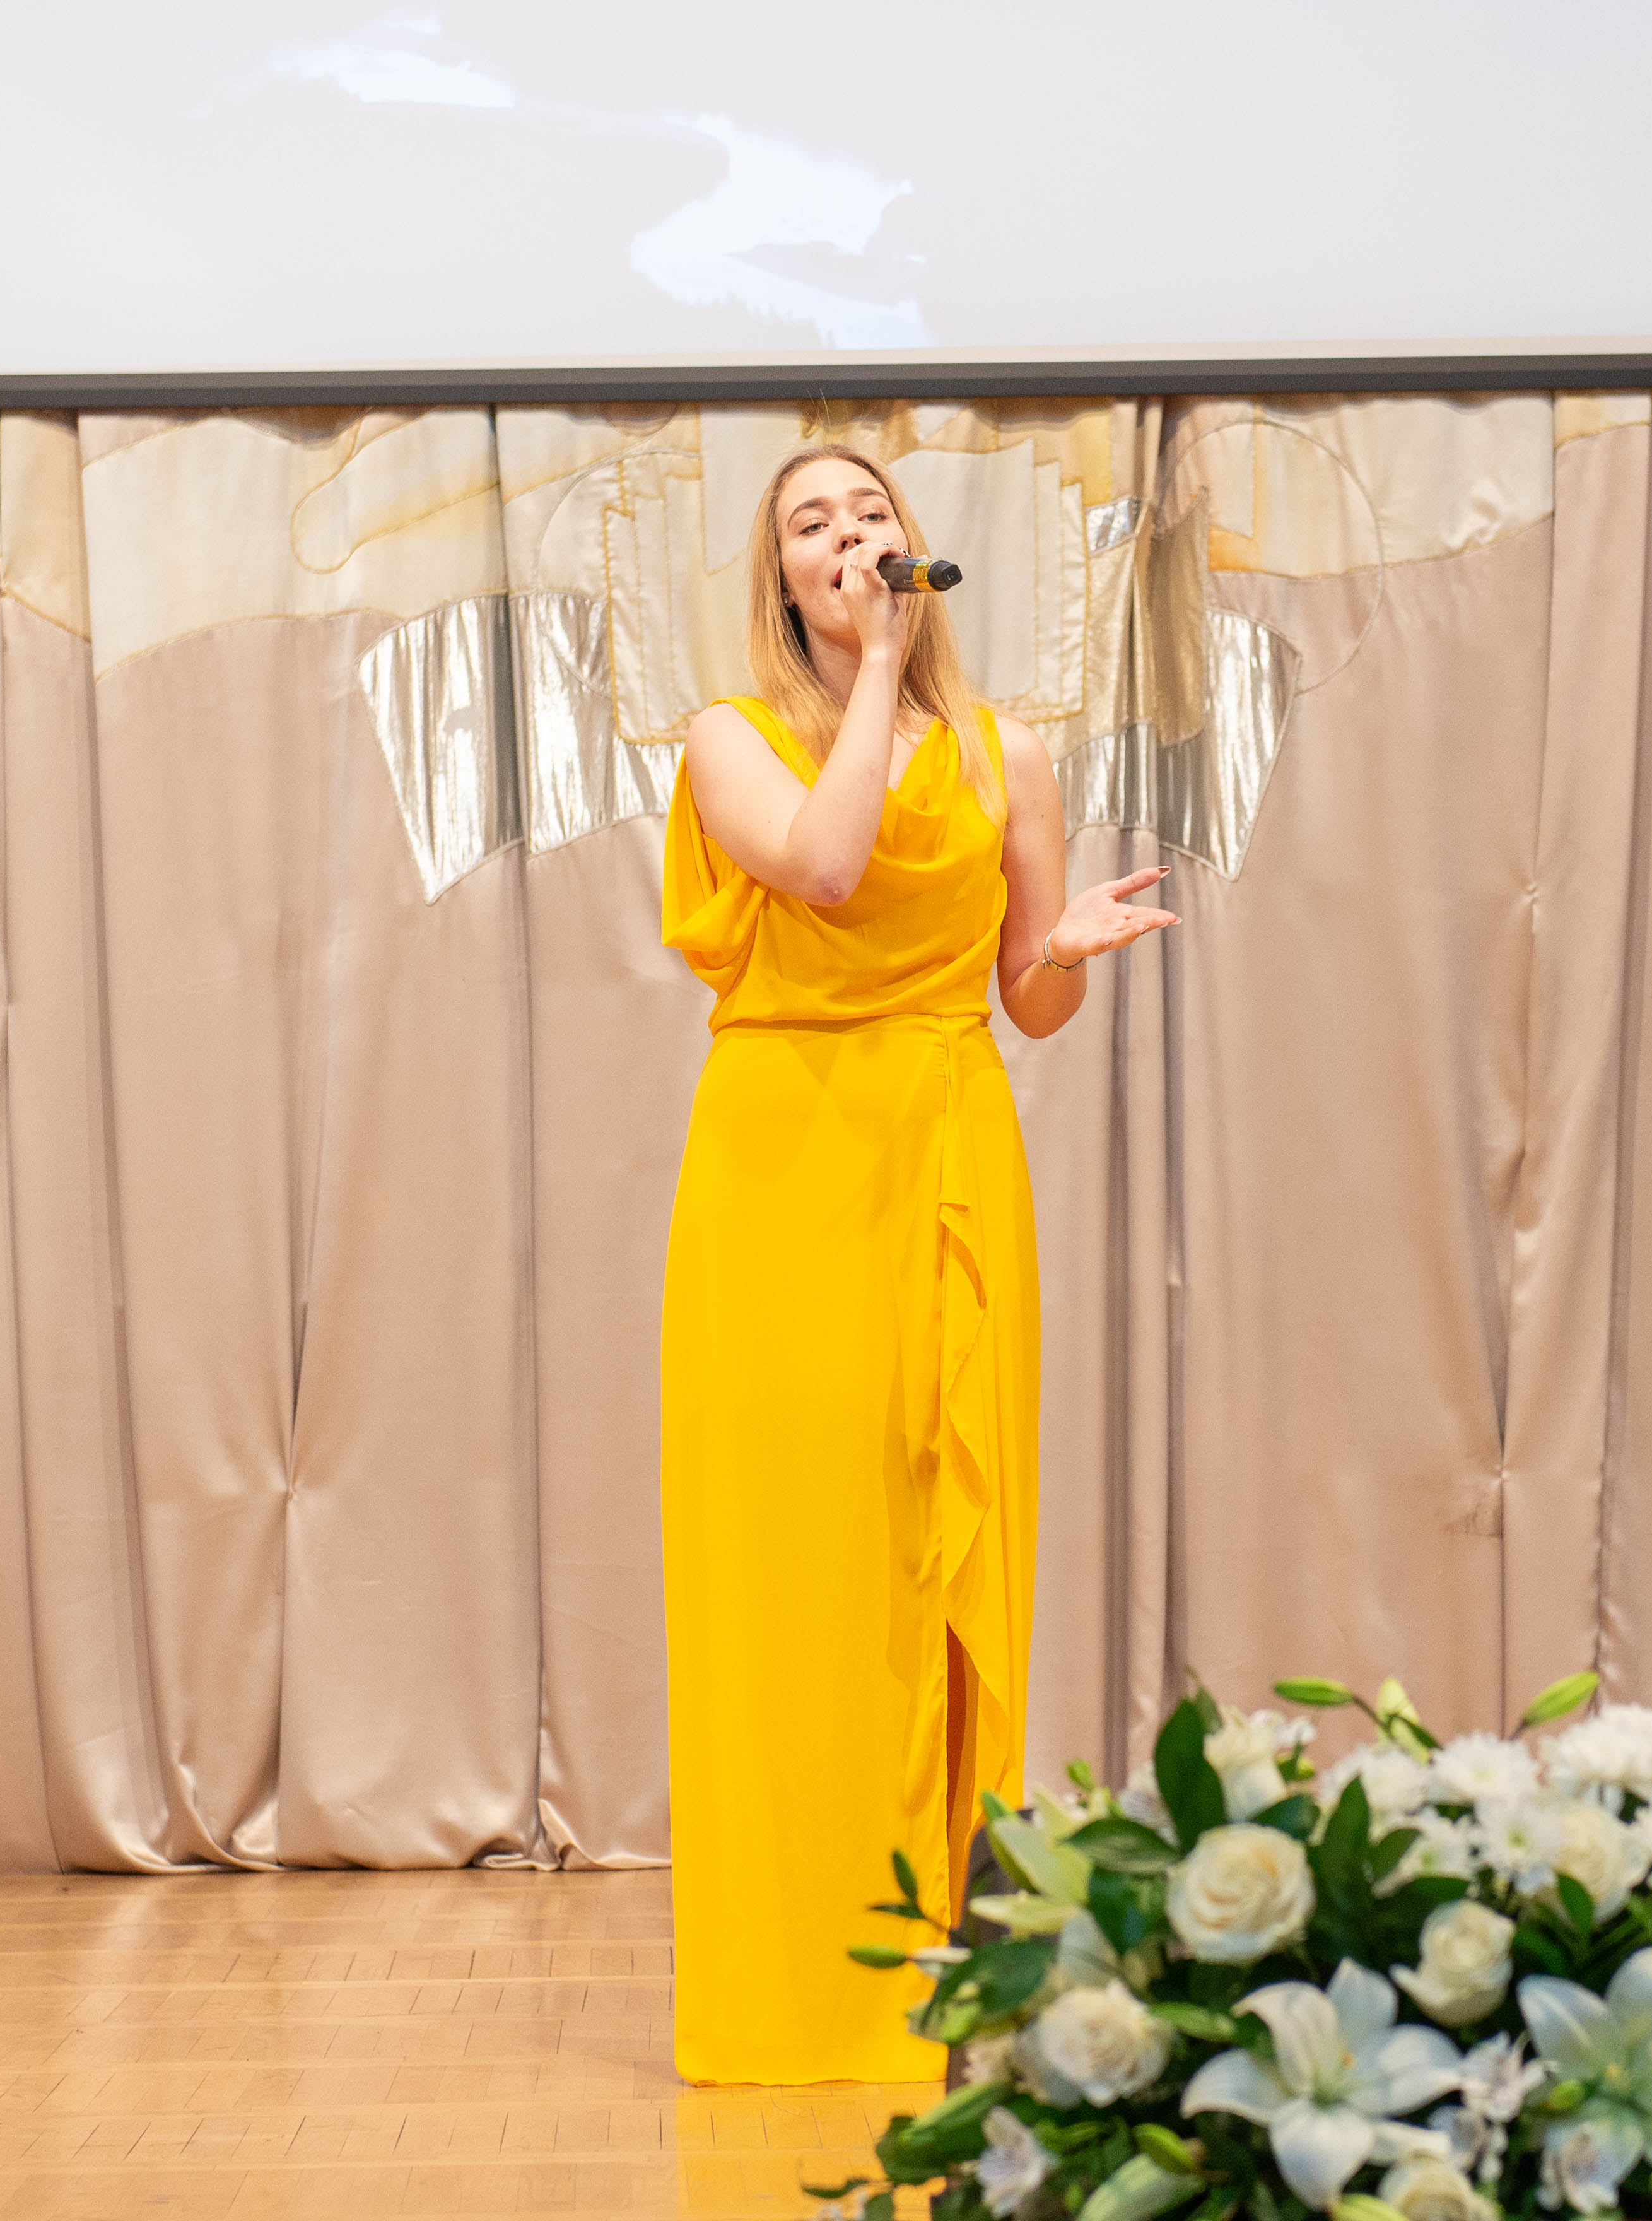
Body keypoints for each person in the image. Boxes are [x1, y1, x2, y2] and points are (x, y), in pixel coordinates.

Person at [659, 444, 1179, 2084]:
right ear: (780, 577)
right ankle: (787, 1992)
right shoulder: (729, 739)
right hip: (778, 1179)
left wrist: (1058, 953)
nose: (846, 535)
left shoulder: (1008, 752)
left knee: (941, 1566)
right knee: (790, 1582)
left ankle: (943, 1983)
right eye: (810, 524)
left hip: (947, 1150)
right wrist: (881, 669)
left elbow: (1028, 996)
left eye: (868, 512)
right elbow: (825, 867)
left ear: (912, 541)